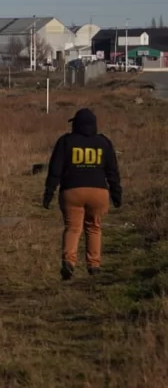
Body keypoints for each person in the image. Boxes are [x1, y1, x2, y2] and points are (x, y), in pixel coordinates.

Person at [43, 108, 122, 279]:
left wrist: (48, 193)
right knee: (94, 227)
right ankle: (94, 265)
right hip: (98, 191)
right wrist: (116, 195)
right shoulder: (104, 142)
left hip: (72, 190)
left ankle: (69, 262)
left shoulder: (65, 141)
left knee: (72, 228)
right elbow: (112, 171)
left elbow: (55, 170)